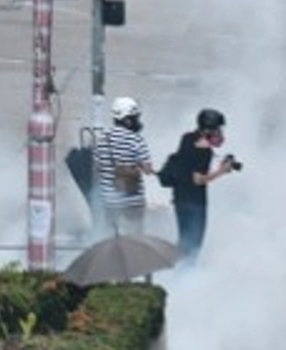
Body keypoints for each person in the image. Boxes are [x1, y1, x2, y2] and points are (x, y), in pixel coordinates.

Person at [158, 108, 241, 263]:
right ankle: (183, 278)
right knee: (193, 246)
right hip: (194, 203)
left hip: (180, 198)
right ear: (208, 130)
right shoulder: (204, 151)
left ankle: (175, 273)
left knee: (184, 241)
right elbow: (197, 179)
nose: (220, 134)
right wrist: (221, 171)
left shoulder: (187, 138)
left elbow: (186, 165)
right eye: (218, 129)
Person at [93, 97, 157, 236]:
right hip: (132, 202)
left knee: (110, 240)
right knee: (135, 241)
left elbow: (97, 169)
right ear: (127, 120)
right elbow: (147, 169)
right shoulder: (136, 139)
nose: (137, 121)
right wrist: (137, 167)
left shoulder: (102, 139)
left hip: (109, 202)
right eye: (135, 118)